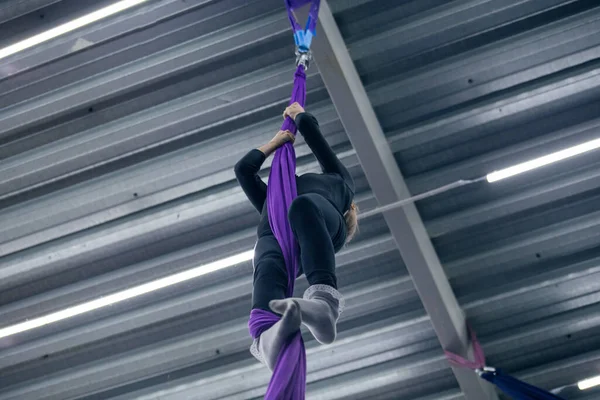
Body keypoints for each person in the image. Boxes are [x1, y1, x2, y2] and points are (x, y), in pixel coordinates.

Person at [234, 102, 358, 371]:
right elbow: (243, 170)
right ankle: (267, 335)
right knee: (265, 256)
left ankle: (325, 304)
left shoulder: (343, 186)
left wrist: (301, 117)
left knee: (303, 206)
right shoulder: (273, 202)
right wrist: (275, 142)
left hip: (324, 222)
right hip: (282, 236)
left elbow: (320, 147)